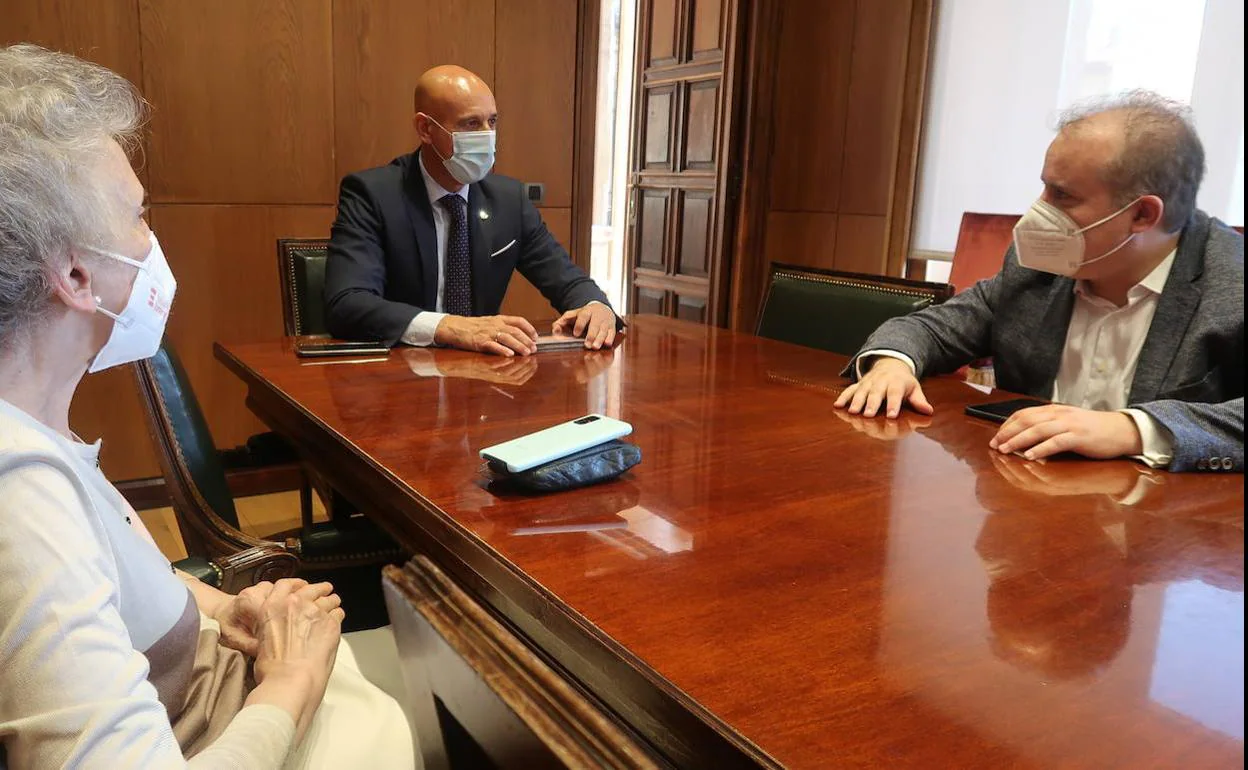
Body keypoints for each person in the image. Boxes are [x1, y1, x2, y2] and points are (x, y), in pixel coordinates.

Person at [0, 45, 412, 768]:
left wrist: (222, 608)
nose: (151, 241)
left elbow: (114, 577)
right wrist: (291, 681)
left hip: (228, 671)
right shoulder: (18, 492)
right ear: (72, 274)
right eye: (137, 216)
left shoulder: (39, 427)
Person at [835, 90, 1244, 473]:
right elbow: (934, 328)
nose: (1037, 212)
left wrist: (1133, 429)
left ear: (1142, 215)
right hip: (1026, 501)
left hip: (1165, 530)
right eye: (1043, 187)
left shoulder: (1232, 280)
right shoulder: (1039, 266)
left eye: (1062, 196)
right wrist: (892, 364)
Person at [325, 65, 620, 355]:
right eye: (470, 124)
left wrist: (595, 307)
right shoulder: (373, 194)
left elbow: (568, 279)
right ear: (425, 129)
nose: (487, 135)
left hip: (481, 377)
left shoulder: (508, 200)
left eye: (492, 122)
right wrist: (448, 327)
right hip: (399, 374)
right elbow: (348, 303)